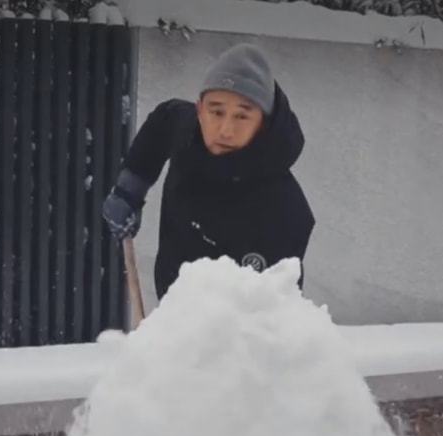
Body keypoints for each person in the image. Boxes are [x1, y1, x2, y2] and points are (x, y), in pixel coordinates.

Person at [102, 43, 314, 299]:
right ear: (200, 110)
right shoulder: (187, 131)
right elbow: (163, 121)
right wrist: (129, 190)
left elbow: (271, 317)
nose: (225, 129)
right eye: (217, 111)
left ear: (264, 123)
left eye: (242, 116)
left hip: (231, 331)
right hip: (172, 308)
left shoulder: (283, 211)